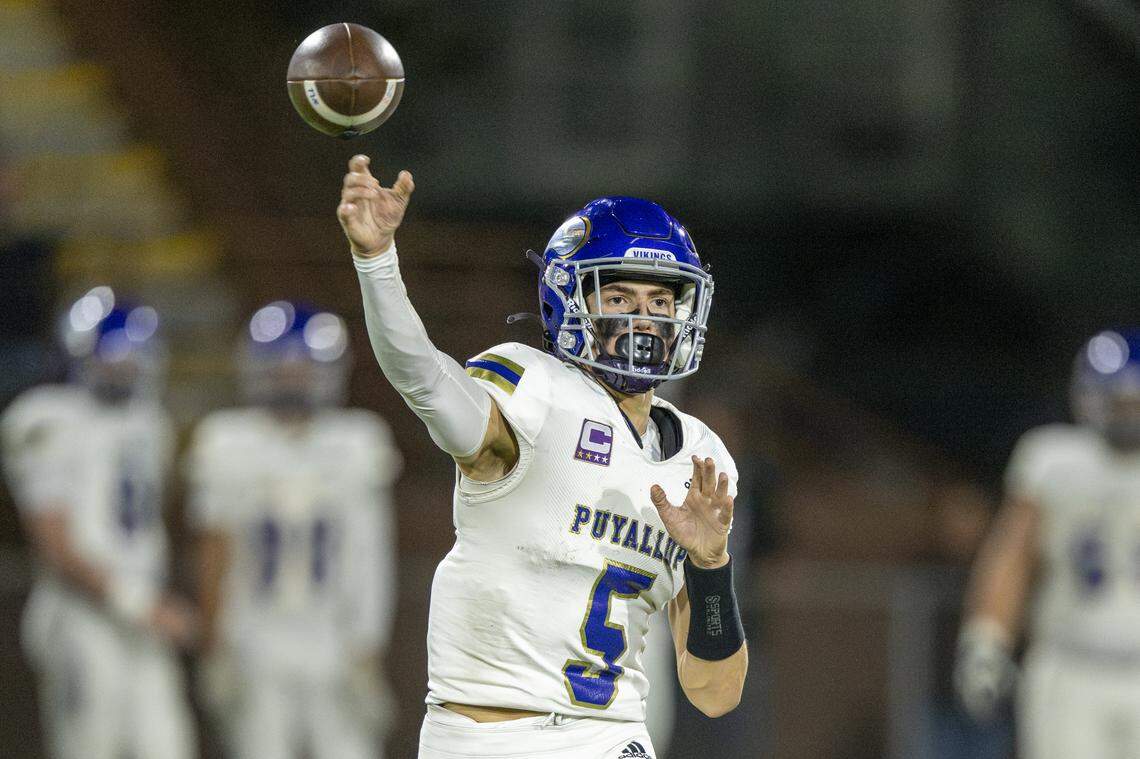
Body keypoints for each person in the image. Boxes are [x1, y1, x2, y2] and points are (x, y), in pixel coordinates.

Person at [338, 155, 748, 758]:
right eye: (622, 296)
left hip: (612, 737)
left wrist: (711, 567)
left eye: (662, 301)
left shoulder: (702, 459)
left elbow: (715, 691)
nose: (645, 320)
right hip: (490, 736)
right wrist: (376, 262)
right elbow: (424, 380)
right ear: (570, 299)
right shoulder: (536, 391)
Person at [186, 301, 400, 759]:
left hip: (332, 639)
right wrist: (214, 644)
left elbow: (370, 556)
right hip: (255, 636)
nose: (291, 379)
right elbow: (214, 550)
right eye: (280, 369)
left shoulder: (357, 440)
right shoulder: (227, 439)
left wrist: (367, 647)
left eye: (302, 368)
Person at [0, 286, 197, 759]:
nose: (123, 368)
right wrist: (138, 603)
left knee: (167, 746)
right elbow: (53, 539)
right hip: (82, 616)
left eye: (133, 357)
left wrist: (148, 602)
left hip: (144, 613)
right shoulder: (45, 418)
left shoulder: (151, 421)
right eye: (111, 357)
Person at [956, 329, 1140, 757]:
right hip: (1070, 668)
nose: (1126, 411)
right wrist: (985, 638)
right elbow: (1012, 554)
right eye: (1117, 399)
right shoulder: (1054, 459)